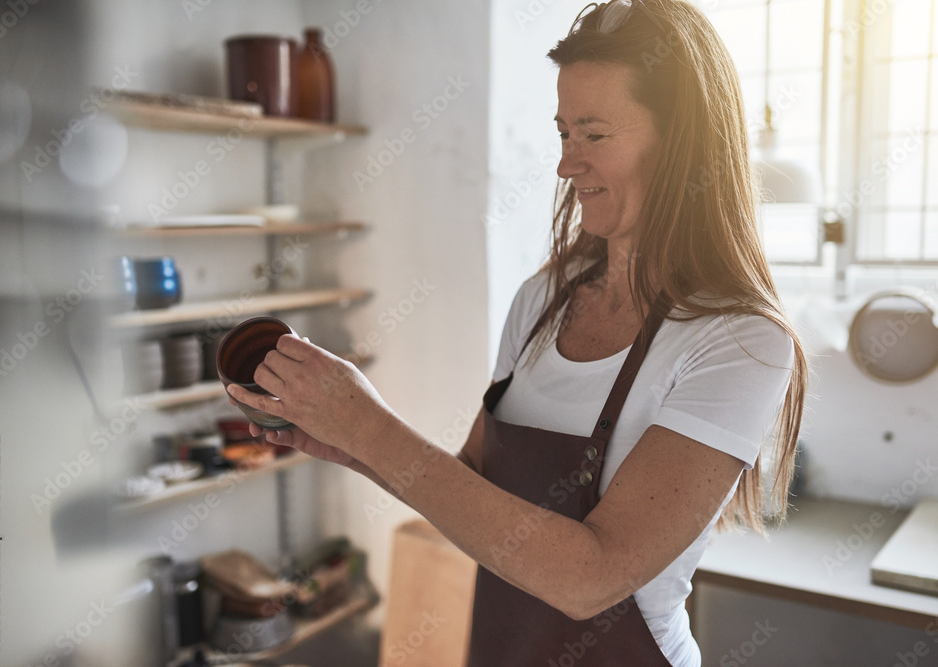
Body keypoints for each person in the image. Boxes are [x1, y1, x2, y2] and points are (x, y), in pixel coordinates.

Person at [226, 0, 808, 664]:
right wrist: (344, 438)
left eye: (593, 134)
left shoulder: (739, 342)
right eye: (563, 133)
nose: (566, 164)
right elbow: (470, 484)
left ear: (682, 144)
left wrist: (366, 425)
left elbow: (590, 576)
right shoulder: (543, 301)